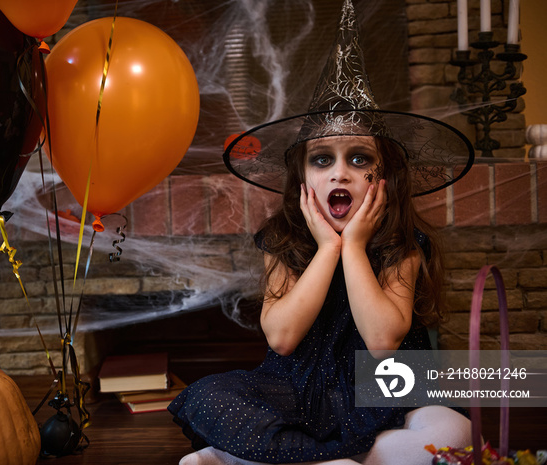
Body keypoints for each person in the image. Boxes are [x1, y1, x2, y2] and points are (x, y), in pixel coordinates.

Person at [168, 1, 476, 464]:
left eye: (359, 158)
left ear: (383, 177)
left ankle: (276, 459)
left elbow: (382, 342)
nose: (340, 174)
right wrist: (327, 248)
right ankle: (327, 458)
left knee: (454, 428)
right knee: (213, 396)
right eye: (322, 159)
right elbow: (283, 338)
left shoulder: (402, 244)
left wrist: (352, 244)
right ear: (302, 179)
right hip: (294, 388)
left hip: (385, 388)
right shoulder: (284, 240)